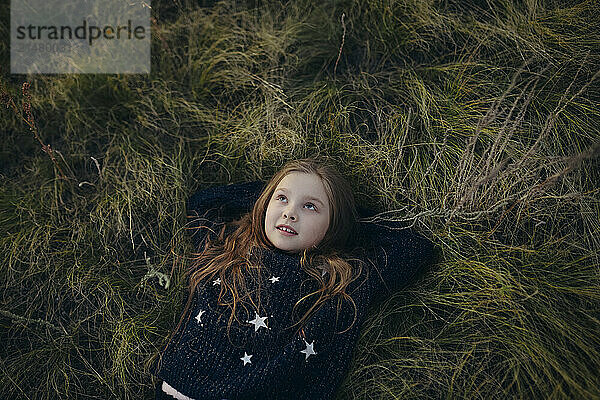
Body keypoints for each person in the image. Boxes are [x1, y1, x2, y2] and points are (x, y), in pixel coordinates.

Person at [151, 158, 435, 400]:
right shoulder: (231, 245)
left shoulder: (341, 279)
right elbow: (202, 202)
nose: (290, 213)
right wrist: (267, 198)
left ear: (334, 224)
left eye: (310, 207)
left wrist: (347, 221)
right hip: (182, 389)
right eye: (282, 198)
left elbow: (414, 248)